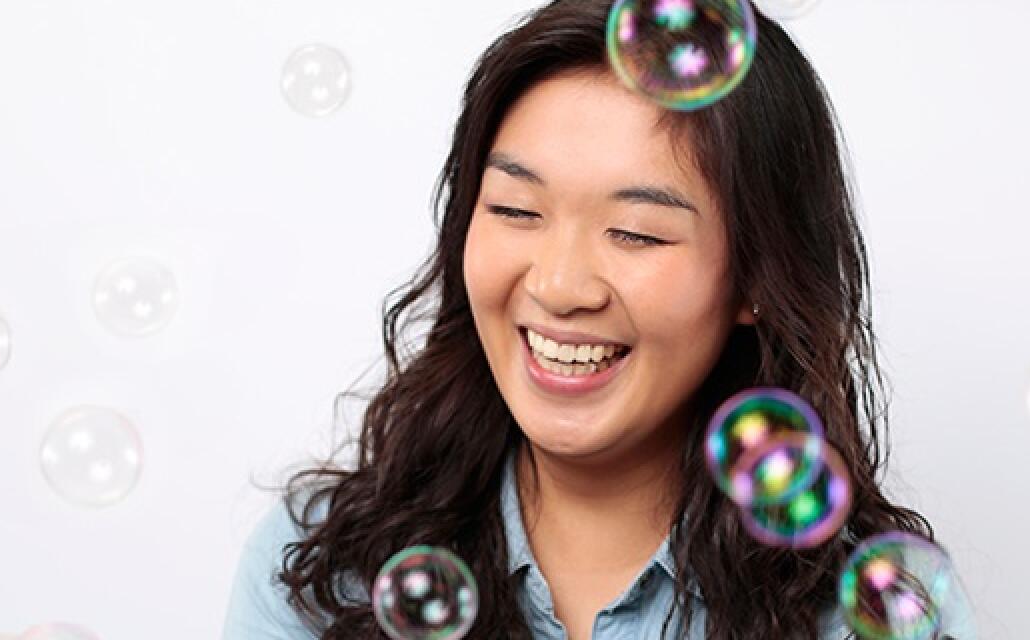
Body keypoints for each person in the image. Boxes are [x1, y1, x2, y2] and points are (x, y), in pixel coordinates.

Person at [224, 1, 934, 637]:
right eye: (514, 211)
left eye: (636, 231)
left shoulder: (869, 611)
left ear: (757, 275)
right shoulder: (324, 569)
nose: (560, 286)